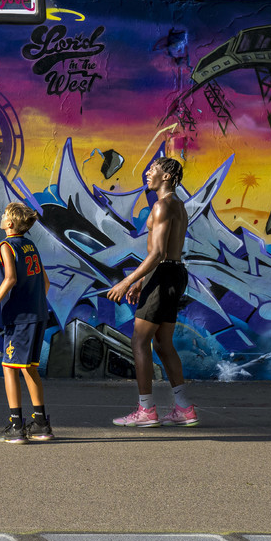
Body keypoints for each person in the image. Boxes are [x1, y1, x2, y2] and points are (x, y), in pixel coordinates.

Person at [104, 156, 196, 427]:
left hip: (165, 273)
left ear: (166, 176)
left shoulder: (161, 206)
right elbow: (165, 254)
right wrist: (141, 283)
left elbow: (156, 253)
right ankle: (184, 409)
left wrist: (125, 282)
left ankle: (146, 410)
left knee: (139, 342)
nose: (147, 173)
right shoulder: (178, 206)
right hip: (174, 273)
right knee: (163, 344)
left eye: (153, 170)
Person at [0, 202, 53, 444]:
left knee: (9, 367)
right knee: (29, 367)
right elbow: (46, 281)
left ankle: (16, 426)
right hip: (38, 313)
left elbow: (10, 278)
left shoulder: (6, 245)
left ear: (9, 224)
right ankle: (41, 424)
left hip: (20, 318)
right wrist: (35, 302)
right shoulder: (30, 245)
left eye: (3, 216)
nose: (0, 218)